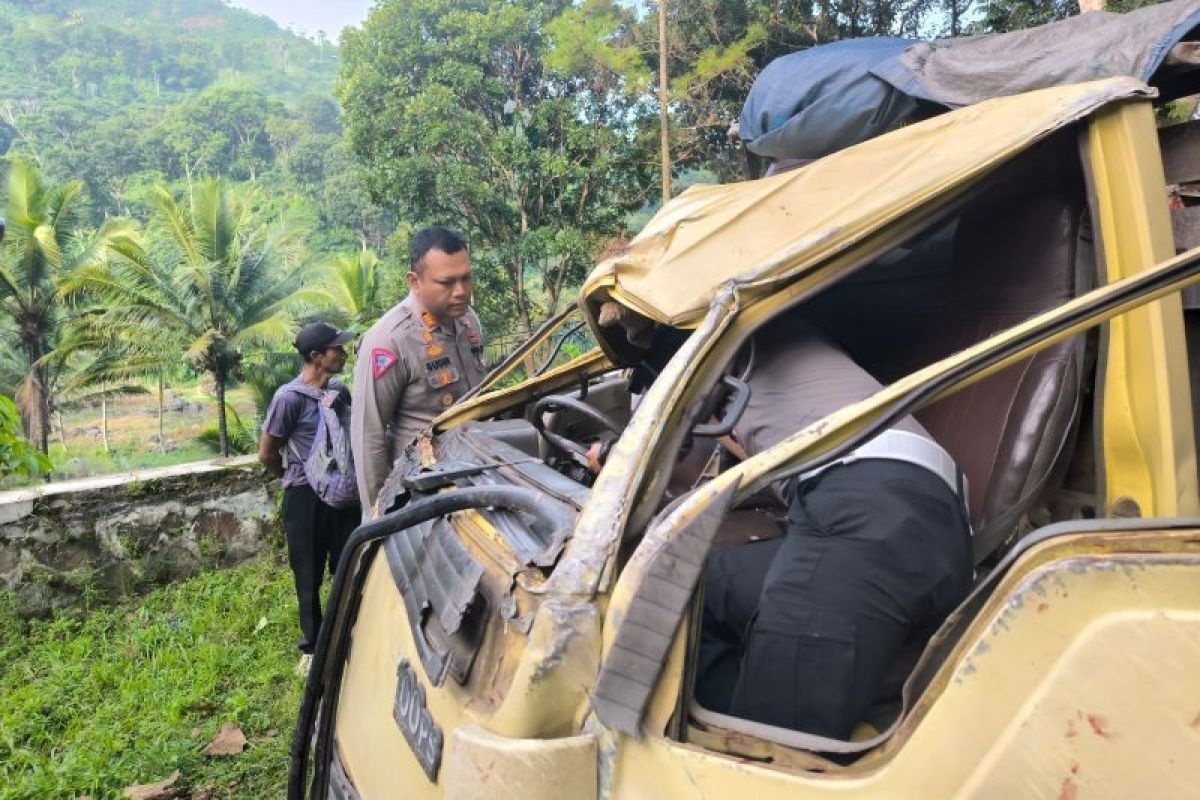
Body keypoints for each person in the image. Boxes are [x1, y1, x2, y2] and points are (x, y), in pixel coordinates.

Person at [693, 315, 974, 739]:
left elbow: (670, 447)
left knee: (773, 738)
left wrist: (608, 456)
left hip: (870, 502)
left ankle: (762, 738)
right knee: (700, 591)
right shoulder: (769, 338)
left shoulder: (729, 340)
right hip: (905, 504)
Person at [351, 226, 487, 513]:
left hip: (478, 476)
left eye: (466, 278)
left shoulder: (468, 321)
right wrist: (380, 517)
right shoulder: (389, 341)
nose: (461, 292)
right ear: (415, 281)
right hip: (423, 496)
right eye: (446, 283)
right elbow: (369, 436)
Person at [258, 322, 360, 670]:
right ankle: (313, 646)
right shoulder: (288, 398)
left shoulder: (340, 391)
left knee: (349, 562)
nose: (344, 353)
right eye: (337, 349)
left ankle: (351, 632)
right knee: (308, 571)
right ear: (316, 356)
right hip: (304, 496)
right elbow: (267, 453)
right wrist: (296, 477)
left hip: (343, 493)